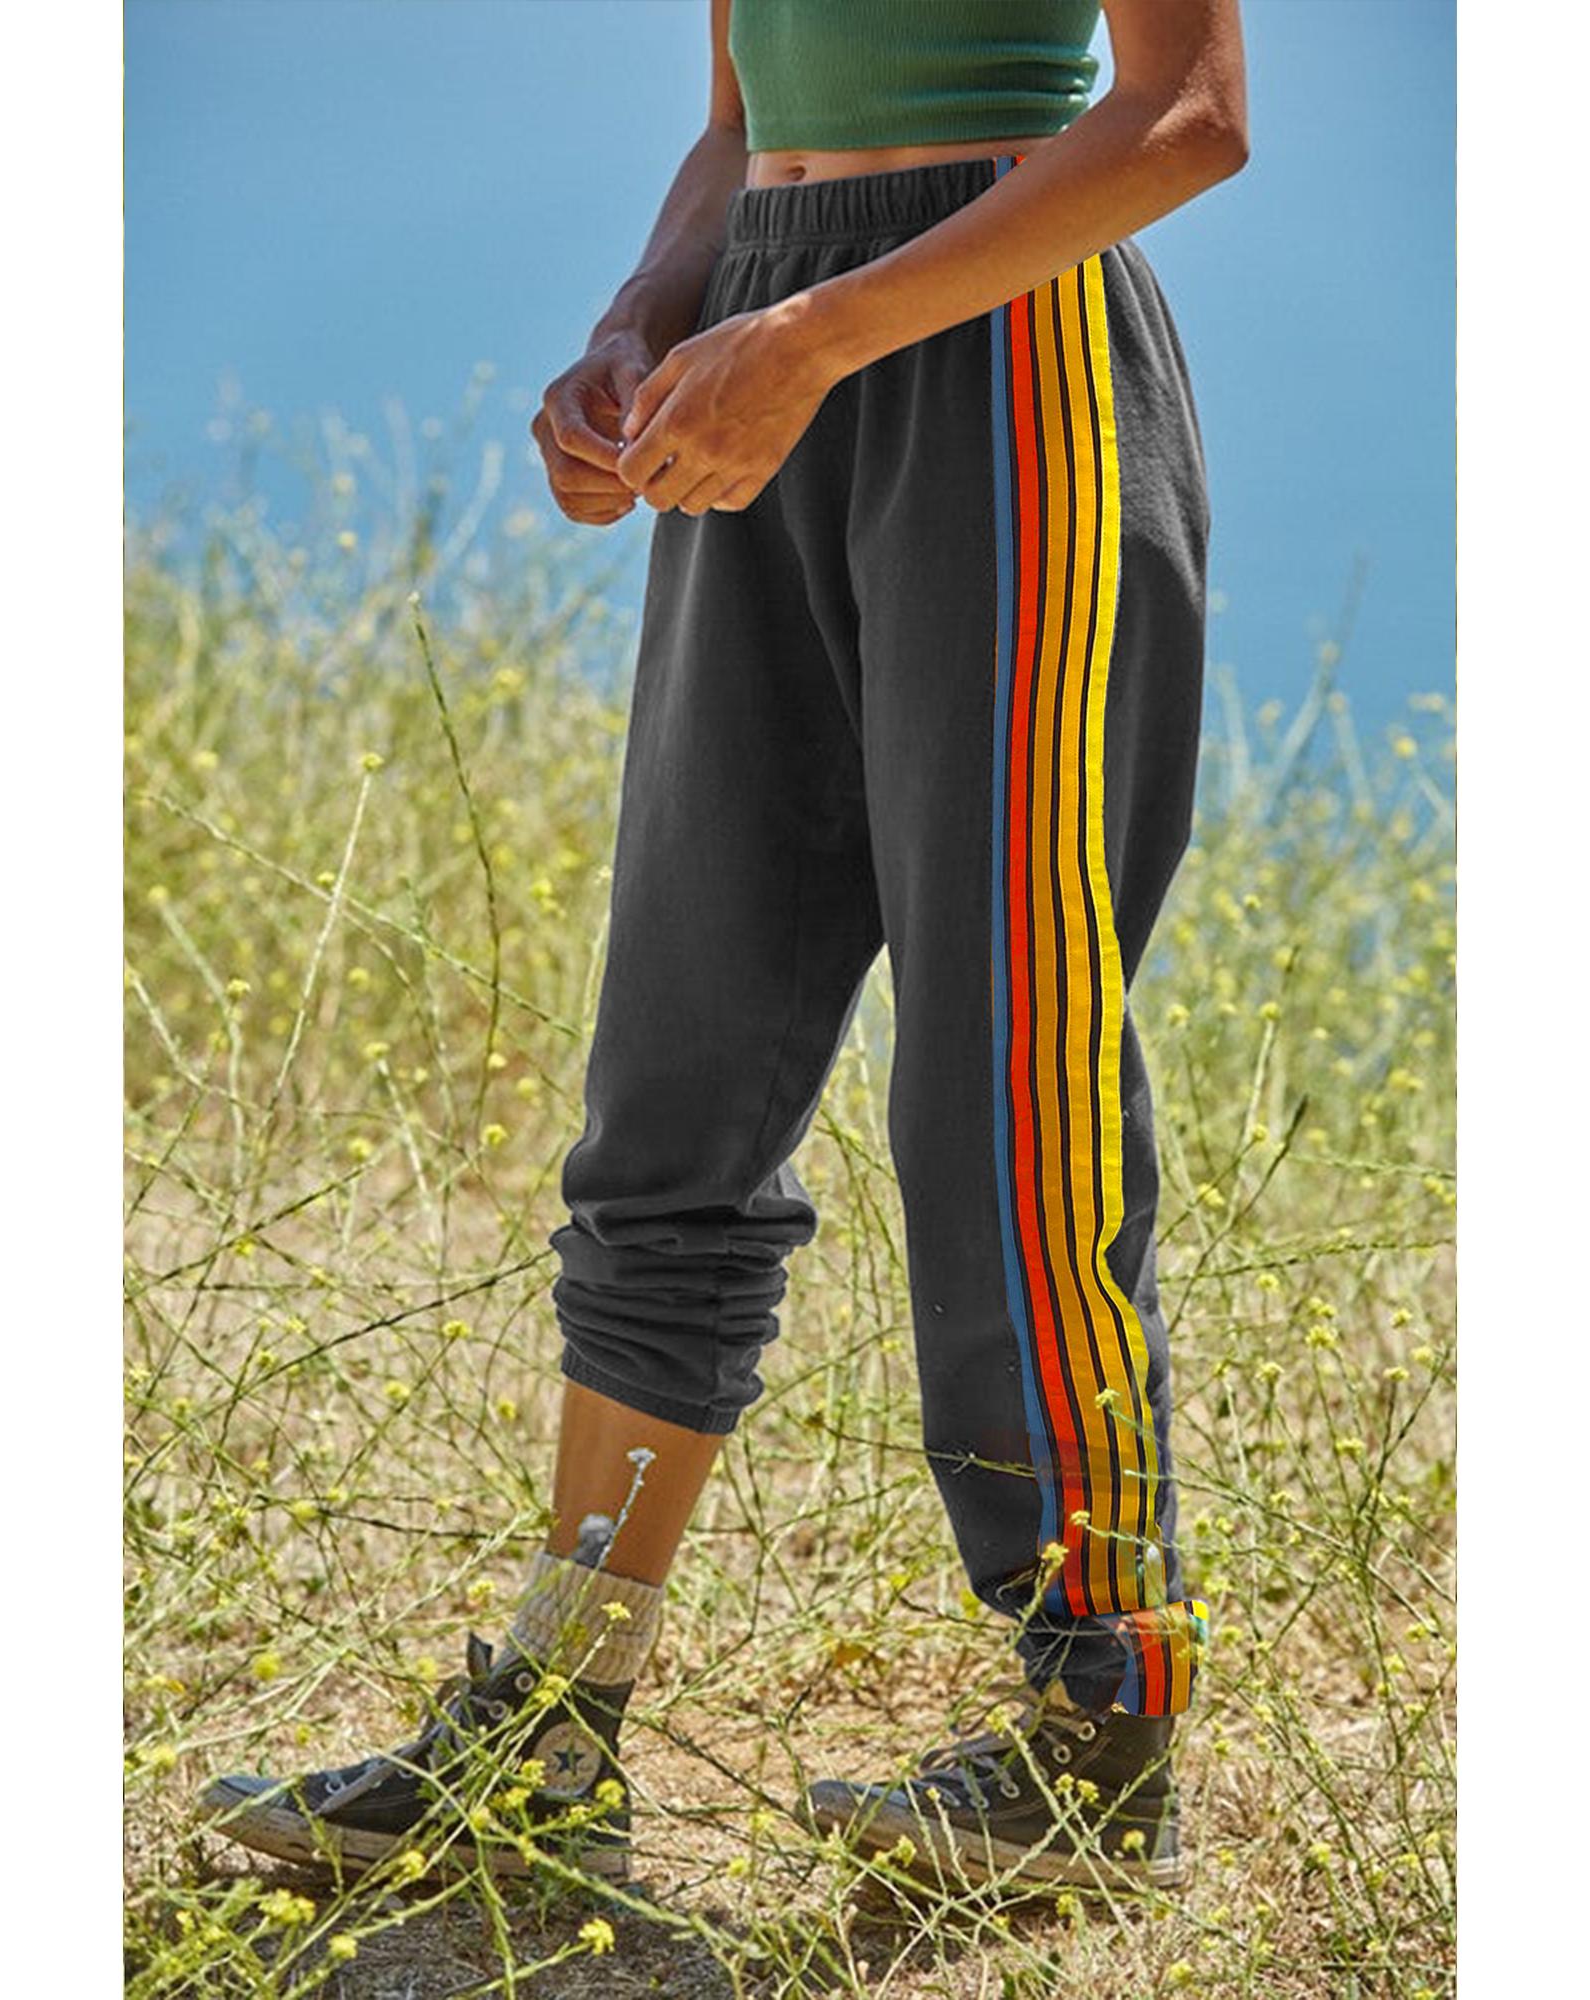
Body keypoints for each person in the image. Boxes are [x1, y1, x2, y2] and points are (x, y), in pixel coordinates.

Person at [200, 0, 1249, 1896]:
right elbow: (741, 118)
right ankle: (552, 1722)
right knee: (674, 1078)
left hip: (1005, 354)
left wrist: (819, 336)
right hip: (766, 343)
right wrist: (644, 325)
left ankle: (1099, 1731)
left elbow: (1187, 116)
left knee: (1003, 1076)